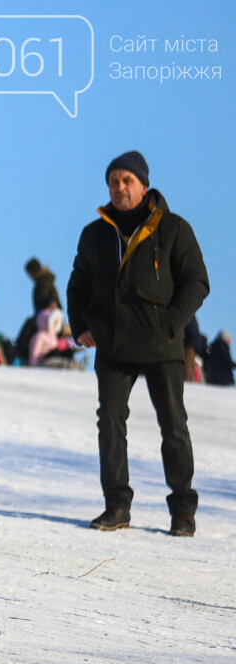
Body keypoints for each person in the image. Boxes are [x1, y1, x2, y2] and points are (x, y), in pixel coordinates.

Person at [67, 150, 209, 536]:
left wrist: (171, 321)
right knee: (110, 423)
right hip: (112, 344)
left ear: (144, 186)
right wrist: (80, 325)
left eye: (127, 181)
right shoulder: (94, 233)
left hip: (161, 344)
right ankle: (116, 506)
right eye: (113, 181)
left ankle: (182, 510)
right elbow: (77, 284)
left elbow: (197, 281)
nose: (119, 188)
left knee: (173, 426)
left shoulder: (173, 229)